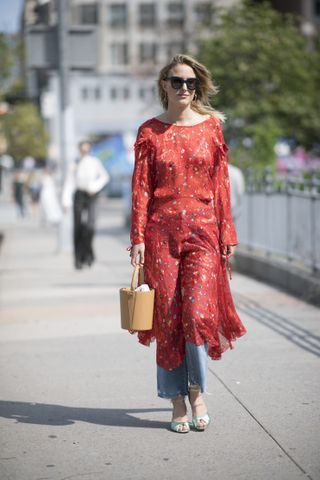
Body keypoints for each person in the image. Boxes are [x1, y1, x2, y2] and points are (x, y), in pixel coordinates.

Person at [129, 54, 247, 434]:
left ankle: (197, 391)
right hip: (160, 232)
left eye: (191, 82)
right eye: (177, 81)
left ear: (198, 87)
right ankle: (177, 401)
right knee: (167, 318)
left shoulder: (211, 128)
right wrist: (138, 239)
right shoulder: (149, 132)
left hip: (204, 230)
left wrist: (227, 233)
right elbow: (141, 189)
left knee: (197, 313)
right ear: (164, 84)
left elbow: (221, 185)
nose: (184, 88)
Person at [62, 141, 109, 269]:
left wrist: (95, 186)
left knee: (90, 226)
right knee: (78, 227)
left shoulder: (94, 162)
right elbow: (69, 182)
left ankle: (89, 253)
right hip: (79, 195)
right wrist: (66, 201)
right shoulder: (74, 163)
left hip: (91, 196)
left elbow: (104, 177)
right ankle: (78, 258)